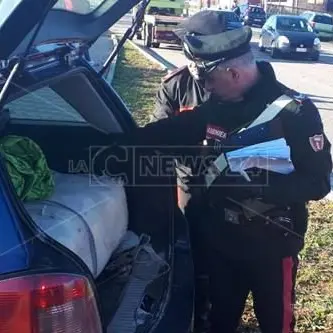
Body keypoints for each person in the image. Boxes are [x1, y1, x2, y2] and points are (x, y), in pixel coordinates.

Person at [114, 10, 332, 333]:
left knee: (277, 324)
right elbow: (164, 134)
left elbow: (319, 182)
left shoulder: (295, 112)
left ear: (232, 74)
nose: (203, 88)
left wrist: (263, 186)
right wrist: (106, 145)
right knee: (219, 322)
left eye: (207, 79)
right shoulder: (215, 107)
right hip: (221, 244)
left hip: (273, 248)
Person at [151, 58, 211, 333]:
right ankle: (197, 310)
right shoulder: (176, 84)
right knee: (191, 241)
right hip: (187, 176)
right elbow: (158, 134)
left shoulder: (234, 83)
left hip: (232, 181)